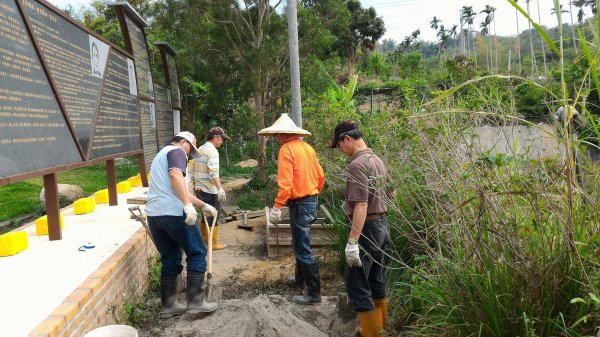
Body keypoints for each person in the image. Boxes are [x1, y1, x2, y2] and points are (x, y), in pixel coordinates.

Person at [329, 120, 395, 337]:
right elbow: (392, 194)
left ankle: (372, 333)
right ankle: (381, 329)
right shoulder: (377, 160)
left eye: (339, 146)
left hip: (366, 228)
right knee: (376, 279)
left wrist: (352, 241)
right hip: (382, 224)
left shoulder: (358, 165)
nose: (341, 151)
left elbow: (362, 204)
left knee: (358, 284)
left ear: (346, 139)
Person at [145, 131, 219, 318]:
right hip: (174, 213)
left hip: (155, 216)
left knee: (170, 257)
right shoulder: (176, 152)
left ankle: (168, 306)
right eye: (190, 150)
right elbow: (176, 177)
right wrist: (187, 206)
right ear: (183, 142)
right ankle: (195, 301)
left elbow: (181, 189)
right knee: (197, 251)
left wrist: (203, 205)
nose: (188, 155)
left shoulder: (160, 156)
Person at [258, 113, 325, 305]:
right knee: (299, 242)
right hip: (310, 200)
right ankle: (299, 280)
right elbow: (321, 177)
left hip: (300, 203)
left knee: (302, 247)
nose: (275, 138)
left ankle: (314, 293)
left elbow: (285, 183)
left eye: (276, 134)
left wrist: (278, 206)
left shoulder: (286, 150)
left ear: (282, 134)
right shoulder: (307, 148)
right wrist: (312, 193)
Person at [193, 127, 231, 250]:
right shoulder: (212, 151)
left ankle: (204, 238)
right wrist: (220, 188)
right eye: (221, 139)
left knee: (205, 214)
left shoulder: (200, 149)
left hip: (199, 189)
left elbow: (193, 168)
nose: (222, 142)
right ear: (215, 137)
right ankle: (213, 243)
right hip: (209, 189)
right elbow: (213, 173)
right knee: (213, 215)